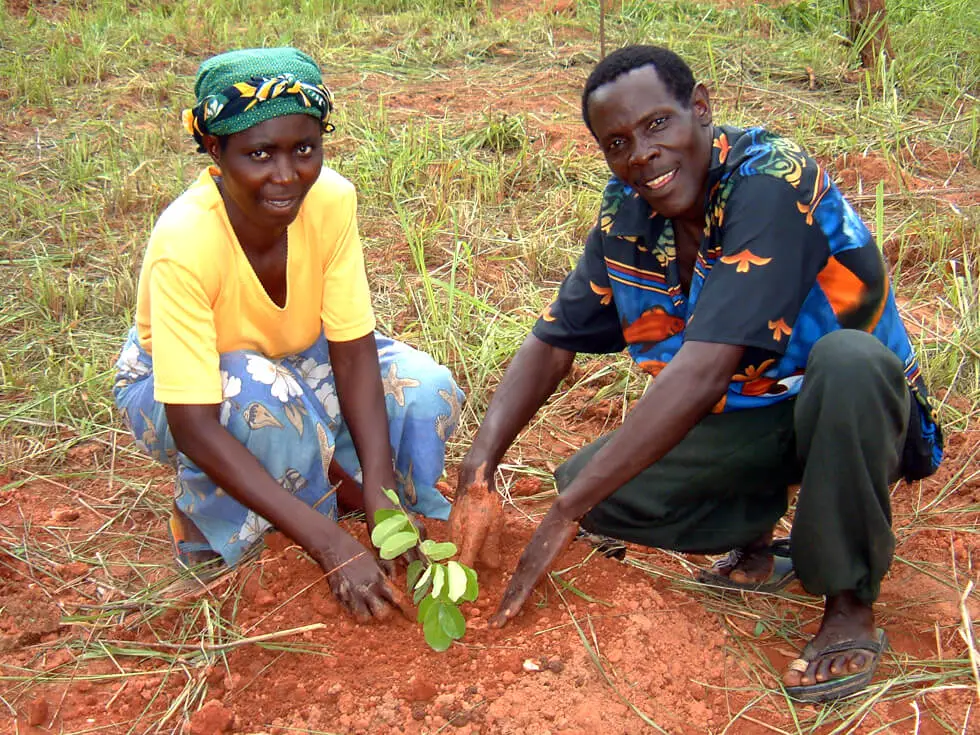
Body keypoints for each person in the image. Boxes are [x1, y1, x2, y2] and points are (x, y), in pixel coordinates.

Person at [450, 45, 942, 702]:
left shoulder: (770, 183)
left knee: (848, 362)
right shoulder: (628, 214)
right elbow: (553, 339)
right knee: (599, 489)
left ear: (701, 109)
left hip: (862, 411)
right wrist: (479, 469)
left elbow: (705, 371)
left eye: (658, 124)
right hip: (756, 413)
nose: (642, 154)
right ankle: (762, 543)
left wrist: (564, 512)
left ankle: (850, 603)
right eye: (618, 141)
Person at [114, 48, 464, 622]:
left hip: (301, 355)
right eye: (259, 154)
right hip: (177, 389)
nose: (287, 175)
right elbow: (194, 424)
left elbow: (352, 354)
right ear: (214, 152)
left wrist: (381, 495)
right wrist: (328, 544)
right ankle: (227, 538)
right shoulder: (185, 242)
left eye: (304, 149)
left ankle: (372, 503)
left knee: (425, 388)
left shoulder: (331, 200)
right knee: (265, 399)